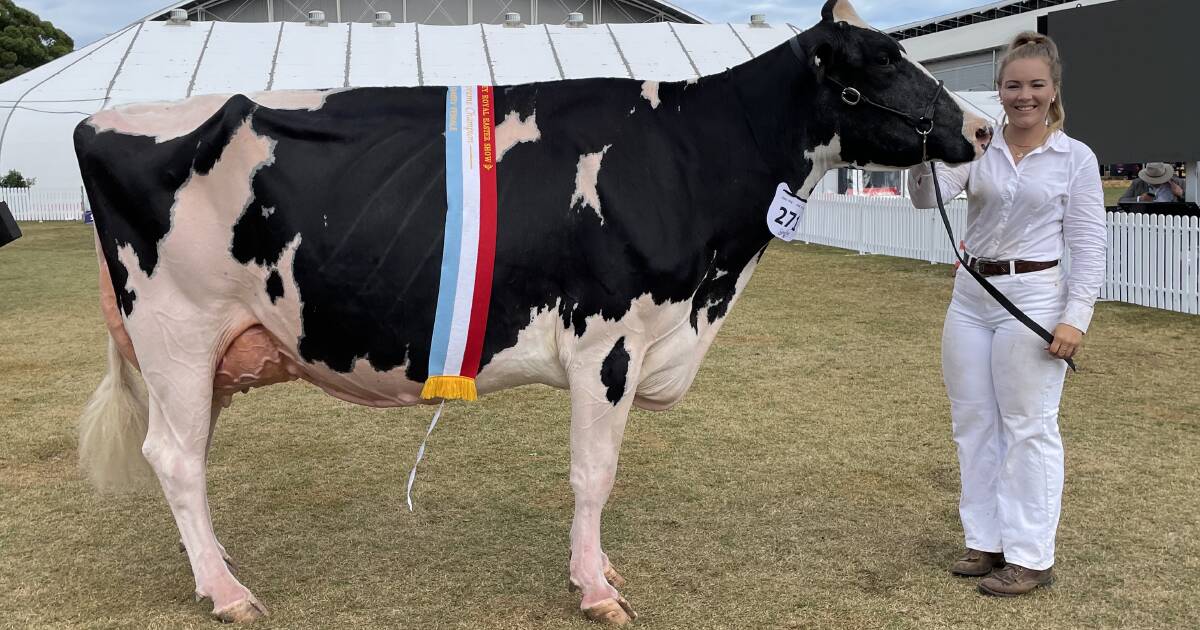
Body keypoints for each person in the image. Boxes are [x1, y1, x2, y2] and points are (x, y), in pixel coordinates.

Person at [907, 31, 1106, 597]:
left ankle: (1030, 555)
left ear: (1052, 90)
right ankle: (985, 540)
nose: (1024, 95)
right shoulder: (981, 147)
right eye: (1013, 85)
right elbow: (928, 198)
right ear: (999, 90)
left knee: (1029, 427)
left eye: (1035, 85)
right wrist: (920, 151)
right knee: (974, 424)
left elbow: (1089, 246)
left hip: (1036, 298)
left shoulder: (1076, 158)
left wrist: (1075, 318)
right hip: (972, 299)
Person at [1119, 162, 1185, 203]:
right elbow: (1121, 201)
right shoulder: (1137, 183)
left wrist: (1181, 194)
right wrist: (1140, 199)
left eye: (1159, 179)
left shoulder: (1178, 182)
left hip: (1172, 221)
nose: (1156, 182)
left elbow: (1193, 203)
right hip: (1145, 221)